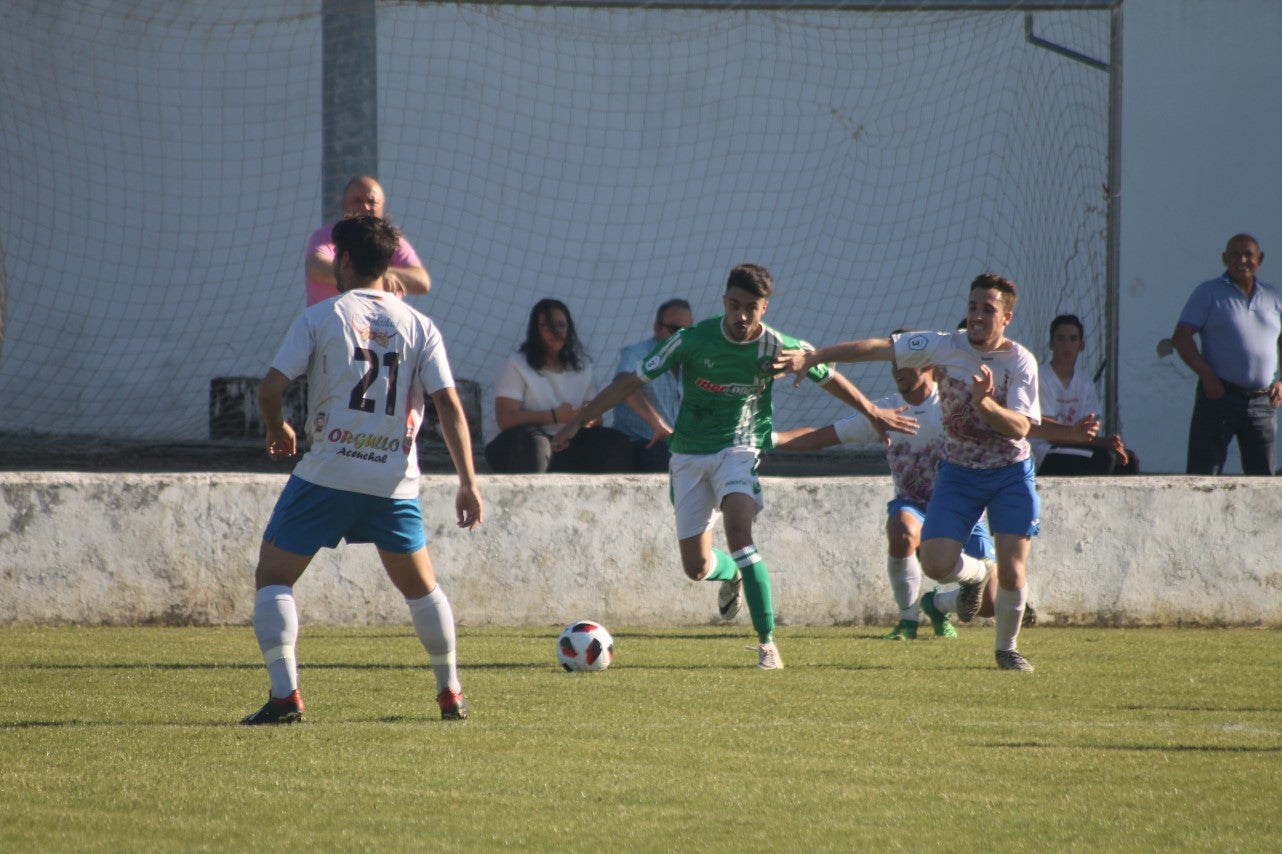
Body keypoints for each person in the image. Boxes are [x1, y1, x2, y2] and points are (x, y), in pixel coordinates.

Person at [551, 263, 917, 669]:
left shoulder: (779, 347)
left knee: (740, 531)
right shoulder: (691, 341)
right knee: (697, 567)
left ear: (765, 307)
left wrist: (871, 411)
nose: (741, 316)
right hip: (688, 454)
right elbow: (627, 384)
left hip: (739, 449)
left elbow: (828, 376)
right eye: (734, 305)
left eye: (751, 308)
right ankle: (730, 575)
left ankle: (767, 644)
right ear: (724, 301)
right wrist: (574, 423)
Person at [242, 214, 482, 725]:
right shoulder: (421, 325)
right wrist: (467, 483)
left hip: (326, 475)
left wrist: (275, 428)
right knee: (422, 590)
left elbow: (269, 390)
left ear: (344, 261)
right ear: (389, 263)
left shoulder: (321, 316)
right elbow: (451, 408)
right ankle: (451, 692)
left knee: (273, 578)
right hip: (392, 482)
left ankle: (286, 697)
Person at [775, 273, 1041, 671]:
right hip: (959, 473)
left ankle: (1007, 650)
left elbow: (1020, 427)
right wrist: (816, 356)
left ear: (1007, 317)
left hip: (1009, 472)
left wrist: (984, 404)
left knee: (1014, 571)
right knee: (934, 563)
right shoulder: (944, 345)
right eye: (973, 307)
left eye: (989, 309)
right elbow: (875, 349)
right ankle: (972, 576)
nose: (978, 316)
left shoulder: (1018, 360)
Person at [775, 340, 1094, 640]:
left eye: (907, 363)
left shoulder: (955, 405)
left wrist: (1071, 433)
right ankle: (908, 618)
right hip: (914, 505)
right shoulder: (885, 412)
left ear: (929, 367)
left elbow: (1022, 422)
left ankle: (937, 604)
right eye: (894, 364)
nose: (898, 369)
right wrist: (771, 440)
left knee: (990, 605)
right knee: (901, 529)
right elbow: (822, 435)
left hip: (965, 508)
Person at [1173, 233, 1282, 475]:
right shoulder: (1208, 292)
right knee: (1204, 476)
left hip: (1262, 403)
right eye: (1234, 254)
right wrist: (1207, 376)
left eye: (1248, 255)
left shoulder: (1273, 297)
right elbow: (1181, 337)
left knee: (1263, 480)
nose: (1241, 259)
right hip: (1219, 398)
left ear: (1260, 259)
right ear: (1224, 258)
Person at [484, 298, 633, 474]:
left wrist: (582, 418)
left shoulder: (582, 367)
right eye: (546, 326)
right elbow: (506, 419)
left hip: (564, 441)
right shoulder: (516, 365)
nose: (555, 332)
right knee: (535, 445)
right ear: (535, 330)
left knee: (616, 443)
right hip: (520, 444)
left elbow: (596, 418)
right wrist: (555, 416)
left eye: (561, 325)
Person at [304, 176, 430, 305]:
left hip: (381, 322)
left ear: (382, 205)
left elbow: (422, 281)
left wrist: (379, 274)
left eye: (372, 202)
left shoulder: (391, 240)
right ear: (343, 204)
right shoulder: (326, 236)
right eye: (357, 201)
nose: (365, 207)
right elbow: (316, 267)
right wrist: (376, 276)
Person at [1033, 314, 1134, 475]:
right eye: (1061, 338)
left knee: (1128, 461)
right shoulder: (1040, 378)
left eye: (1073, 339)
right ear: (1051, 344)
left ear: (1081, 345)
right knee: (1103, 458)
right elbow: (1050, 435)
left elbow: (1088, 432)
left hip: (1074, 445)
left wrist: (1108, 442)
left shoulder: (1085, 382)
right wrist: (1102, 443)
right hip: (1044, 451)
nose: (1067, 345)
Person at [608, 299, 694, 472]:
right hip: (640, 443)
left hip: (678, 447)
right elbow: (625, 385)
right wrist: (657, 423)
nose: (681, 337)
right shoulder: (637, 353)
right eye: (675, 330)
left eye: (688, 331)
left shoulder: (693, 361)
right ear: (657, 327)